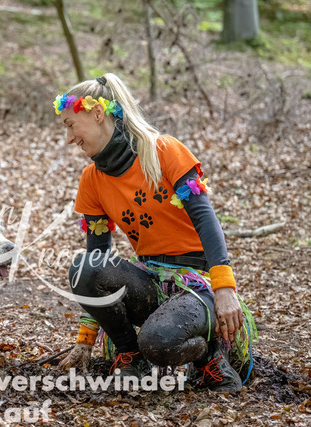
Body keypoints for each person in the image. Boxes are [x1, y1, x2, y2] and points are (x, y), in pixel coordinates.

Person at [54, 74, 255, 392]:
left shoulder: (164, 150)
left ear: (97, 114)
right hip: (149, 282)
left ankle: (210, 357)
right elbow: (97, 261)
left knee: (158, 342)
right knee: (84, 266)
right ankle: (130, 357)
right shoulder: (91, 180)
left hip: (197, 287)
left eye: (70, 124)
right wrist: (85, 338)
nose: (69, 138)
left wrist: (224, 288)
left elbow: (206, 220)